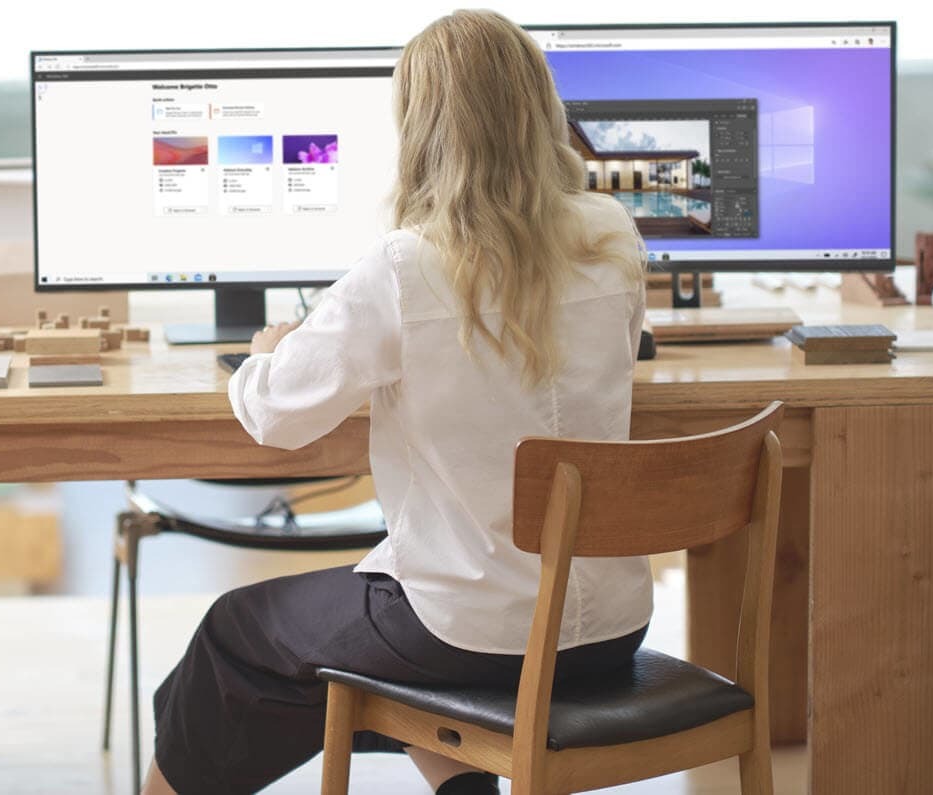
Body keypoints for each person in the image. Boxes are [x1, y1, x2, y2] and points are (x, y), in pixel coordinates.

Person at [140, 9, 654, 795]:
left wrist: (266, 354)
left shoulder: (407, 266)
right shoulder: (614, 236)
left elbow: (277, 416)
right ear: (539, 108)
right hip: (611, 629)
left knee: (234, 635)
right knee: (389, 626)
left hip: (470, 633)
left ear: (422, 128)